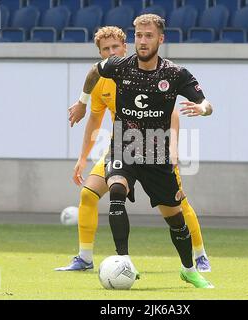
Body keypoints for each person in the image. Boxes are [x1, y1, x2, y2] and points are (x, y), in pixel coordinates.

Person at [65, 15, 214, 288]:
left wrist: (202, 109)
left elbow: (205, 102)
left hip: (157, 154)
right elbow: (93, 71)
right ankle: (124, 262)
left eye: (148, 36)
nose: (142, 41)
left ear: (160, 39)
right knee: (117, 192)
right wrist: (82, 101)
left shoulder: (175, 74)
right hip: (124, 148)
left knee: (175, 217)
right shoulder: (119, 66)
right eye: (138, 35)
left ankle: (189, 268)